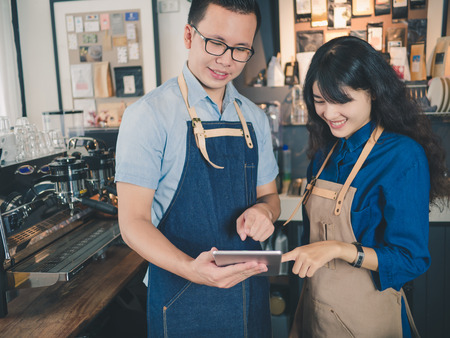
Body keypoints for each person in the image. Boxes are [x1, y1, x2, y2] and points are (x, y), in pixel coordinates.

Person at [115, 0, 280, 336]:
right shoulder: (148, 116)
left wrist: (265, 211)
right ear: (189, 35)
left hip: (249, 294)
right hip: (181, 296)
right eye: (216, 43)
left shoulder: (254, 118)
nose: (226, 60)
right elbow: (132, 223)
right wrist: (191, 269)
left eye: (240, 50)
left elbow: (271, 196)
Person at [282, 36, 450, 338]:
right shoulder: (325, 154)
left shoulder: (402, 156)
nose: (329, 114)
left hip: (368, 321)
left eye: (341, 100)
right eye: (320, 101)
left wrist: (339, 249)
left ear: (372, 92)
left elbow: (411, 259)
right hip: (316, 312)